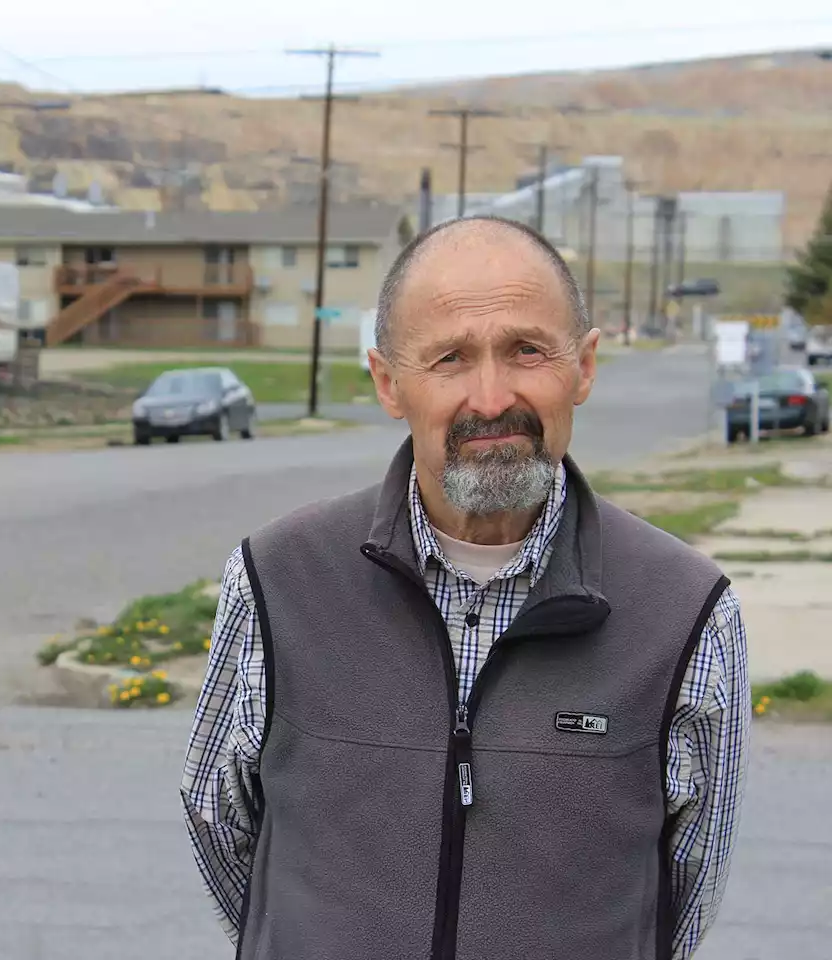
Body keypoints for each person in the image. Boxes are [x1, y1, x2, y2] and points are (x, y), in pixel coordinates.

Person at [180, 216, 749, 960]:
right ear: (389, 383)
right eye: (450, 358)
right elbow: (223, 834)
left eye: (527, 350)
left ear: (583, 367)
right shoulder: (277, 579)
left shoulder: (687, 612)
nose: (490, 398)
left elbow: (682, 895)